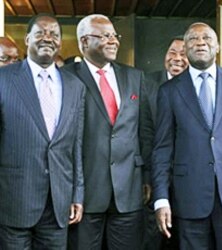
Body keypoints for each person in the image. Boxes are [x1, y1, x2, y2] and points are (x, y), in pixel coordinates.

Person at [152, 22, 222, 250]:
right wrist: (161, 199)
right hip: (189, 201)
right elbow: (162, 148)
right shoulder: (169, 90)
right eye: (193, 39)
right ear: (185, 49)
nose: (200, 42)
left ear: (217, 47)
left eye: (206, 38)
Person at [66, 14, 152, 250]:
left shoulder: (135, 77)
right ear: (84, 42)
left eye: (115, 35)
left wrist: (146, 177)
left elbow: (144, 132)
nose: (113, 41)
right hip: (84, 196)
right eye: (105, 36)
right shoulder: (66, 77)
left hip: (129, 191)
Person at [0, 13, 85, 249]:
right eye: (40, 32)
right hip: (13, 201)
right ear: (27, 39)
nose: (48, 38)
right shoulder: (3, 79)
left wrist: (77, 193)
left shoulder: (75, 86)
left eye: (54, 34)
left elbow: (75, 144)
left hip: (58, 204)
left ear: (60, 42)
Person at [143, 36, 188, 250]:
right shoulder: (146, 83)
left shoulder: (200, 86)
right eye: (172, 52)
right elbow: (141, 132)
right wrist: (145, 176)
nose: (177, 58)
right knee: (151, 239)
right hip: (153, 179)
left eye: (183, 53)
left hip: (189, 181)